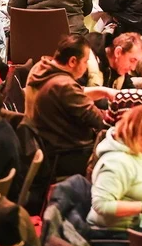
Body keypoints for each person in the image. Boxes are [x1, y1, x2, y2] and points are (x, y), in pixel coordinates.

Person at [24, 34, 107, 167]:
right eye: (85, 62)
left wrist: (103, 92)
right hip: (64, 152)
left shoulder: (41, 67)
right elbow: (98, 120)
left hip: (44, 142)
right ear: (73, 61)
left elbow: (74, 93)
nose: (86, 67)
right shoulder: (64, 86)